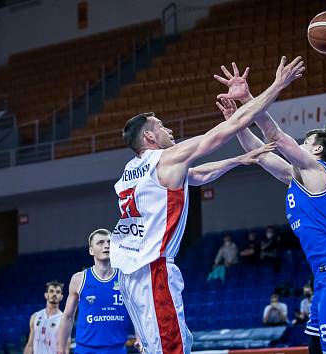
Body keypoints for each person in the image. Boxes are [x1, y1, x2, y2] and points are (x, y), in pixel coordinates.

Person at [110, 56, 305, 354]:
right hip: (153, 271)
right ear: (149, 136)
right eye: (161, 126)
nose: (169, 130)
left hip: (130, 275)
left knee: (164, 347)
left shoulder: (130, 172)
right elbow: (232, 126)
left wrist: (239, 159)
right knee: (173, 349)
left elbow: (197, 174)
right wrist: (277, 85)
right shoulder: (166, 158)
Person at [214, 62, 326, 354]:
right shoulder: (296, 176)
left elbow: (275, 138)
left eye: (305, 142)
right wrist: (236, 120)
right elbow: (260, 154)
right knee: (314, 347)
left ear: (317, 150)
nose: (299, 144)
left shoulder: (316, 170)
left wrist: (249, 99)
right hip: (325, 276)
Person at [56, 229, 139, 354]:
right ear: (91, 250)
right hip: (85, 350)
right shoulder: (79, 279)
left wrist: (139, 338)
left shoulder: (125, 278)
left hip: (117, 349)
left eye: (109, 242)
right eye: (100, 242)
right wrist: (61, 348)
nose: (106, 245)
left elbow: (136, 314)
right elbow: (67, 316)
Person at [24, 281, 64, 354]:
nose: (54, 294)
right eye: (51, 291)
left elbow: (64, 349)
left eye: (58, 292)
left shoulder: (64, 320)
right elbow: (30, 345)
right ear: (46, 295)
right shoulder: (35, 316)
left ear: (61, 297)